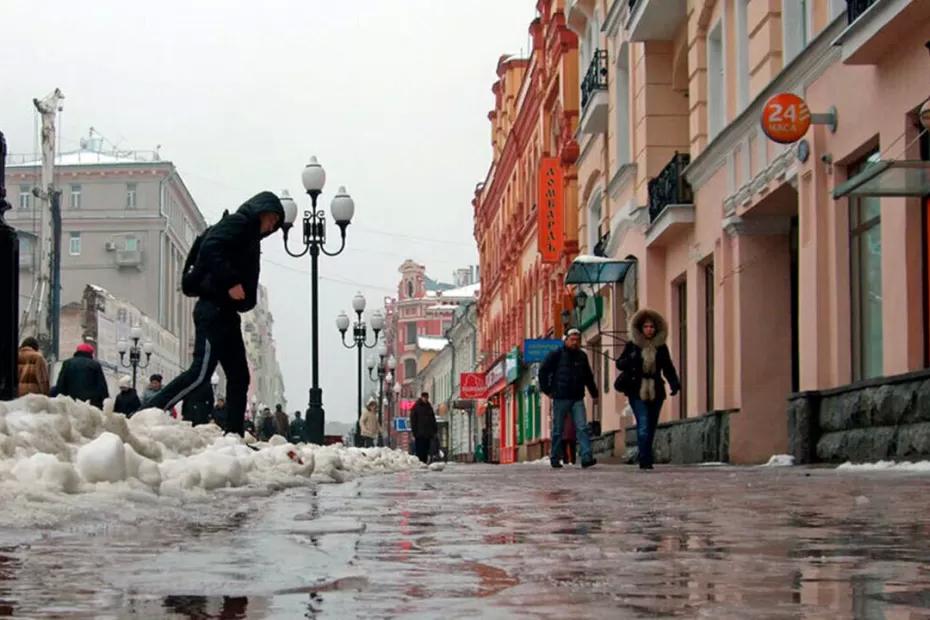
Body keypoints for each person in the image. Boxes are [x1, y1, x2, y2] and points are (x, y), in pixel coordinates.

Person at [144, 192, 285, 436]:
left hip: (227, 313)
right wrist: (231, 282)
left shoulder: (251, 237)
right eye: (272, 219)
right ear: (262, 210)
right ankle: (147, 413)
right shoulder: (239, 222)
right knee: (200, 373)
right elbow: (211, 247)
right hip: (213, 310)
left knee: (239, 376)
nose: (272, 226)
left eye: (276, 223)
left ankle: (234, 435)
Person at [616, 309, 680, 471]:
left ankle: (644, 454)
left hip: (656, 390)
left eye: (652, 327)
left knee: (651, 426)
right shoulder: (632, 345)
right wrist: (630, 359)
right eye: (646, 326)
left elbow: (668, 367)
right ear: (640, 328)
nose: (649, 329)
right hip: (636, 390)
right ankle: (645, 460)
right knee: (643, 424)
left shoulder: (661, 347)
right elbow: (619, 363)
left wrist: (674, 383)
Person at [539, 328, 598, 469]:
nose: (575, 342)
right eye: (572, 339)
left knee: (582, 427)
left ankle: (586, 457)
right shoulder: (556, 355)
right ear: (565, 340)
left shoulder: (582, 356)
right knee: (558, 429)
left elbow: (588, 376)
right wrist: (547, 390)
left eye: (577, 340)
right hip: (560, 397)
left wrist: (594, 393)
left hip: (577, 397)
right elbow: (543, 370)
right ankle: (555, 457)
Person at [55, 342, 109, 409]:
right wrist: (105, 402)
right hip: (90, 404)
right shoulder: (95, 365)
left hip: (71, 403)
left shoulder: (67, 363)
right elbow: (102, 386)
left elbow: (61, 383)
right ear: (90, 353)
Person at [409, 392, 437, 464]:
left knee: (426, 448)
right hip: (419, 433)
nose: (426, 399)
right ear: (422, 397)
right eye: (424, 397)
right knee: (420, 449)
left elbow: (432, 419)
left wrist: (434, 430)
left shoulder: (429, 407)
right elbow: (413, 420)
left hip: (427, 433)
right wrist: (414, 432)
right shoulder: (416, 407)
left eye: (427, 398)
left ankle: (424, 462)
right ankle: (420, 462)